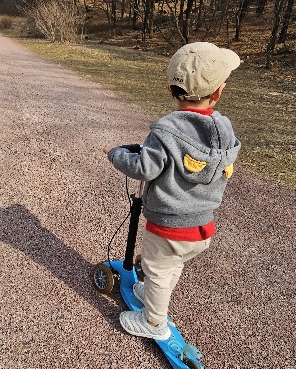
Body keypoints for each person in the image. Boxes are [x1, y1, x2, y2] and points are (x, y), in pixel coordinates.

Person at [103, 42, 242, 340]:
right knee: (172, 266)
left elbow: (144, 168)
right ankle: (155, 293)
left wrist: (116, 154)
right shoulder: (225, 130)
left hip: (169, 227)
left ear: (170, 90)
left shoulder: (166, 130)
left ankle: (154, 323)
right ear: (218, 93)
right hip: (202, 226)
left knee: (156, 268)